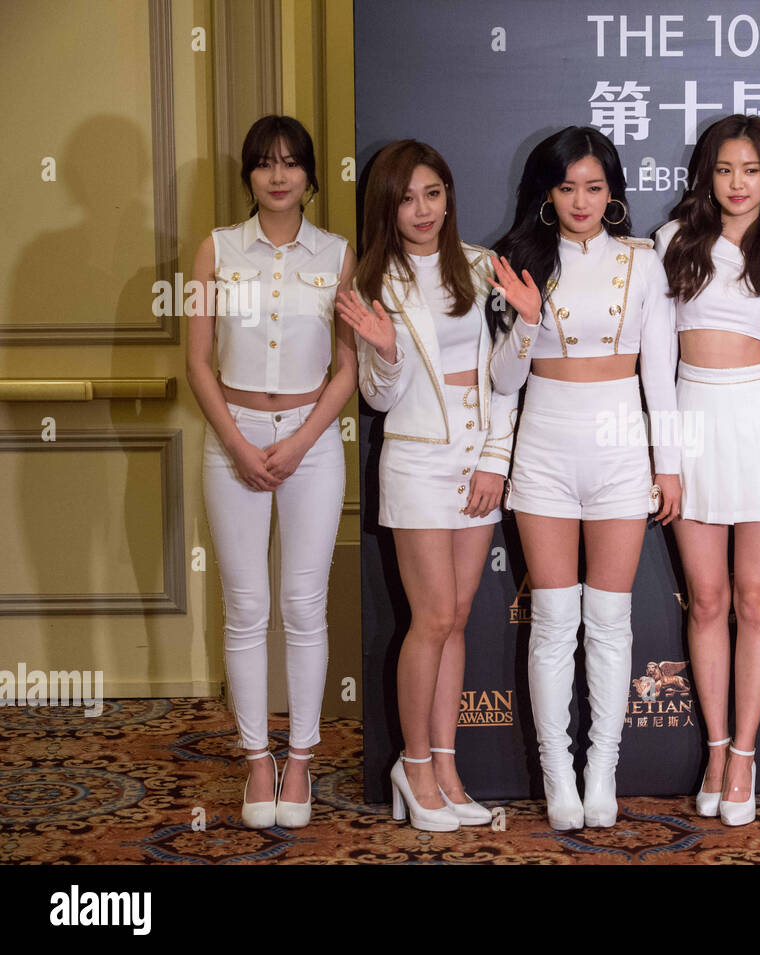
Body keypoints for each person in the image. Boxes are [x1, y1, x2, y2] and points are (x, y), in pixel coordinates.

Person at [488, 126, 681, 830]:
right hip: (543, 441)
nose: (580, 200)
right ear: (547, 193)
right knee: (552, 622)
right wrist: (528, 322)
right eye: (566, 186)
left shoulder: (643, 260)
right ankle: (557, 776)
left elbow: (661, 371)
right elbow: (503, 381)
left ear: (614, 193)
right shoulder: (518, 261)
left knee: (609, 619)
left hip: (621, 442)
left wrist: (671, 463)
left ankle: (603, 770)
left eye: (594, 186)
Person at [337, 141, 517, 832]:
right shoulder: (371, 282)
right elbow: (381, 399)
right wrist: (382, 349)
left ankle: (446, 766)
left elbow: (506, 376)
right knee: (433, 617)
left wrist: (496, 459)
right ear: (387, 204)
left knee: (459, 617)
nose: (421, 210)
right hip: (415, 462)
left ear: (448, 195)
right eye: (406, 197)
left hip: (477, 460)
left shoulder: (480, 267)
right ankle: (412, 768)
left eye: (432, 193)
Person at [654, 114, 760, 826]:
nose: (738, 183)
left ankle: (746, 753)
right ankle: (716, 747)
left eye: (751, 170)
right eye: (725, 169)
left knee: (756, 598)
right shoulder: (671, 242)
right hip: (692, 416)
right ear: (707, 175)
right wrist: (665, 458)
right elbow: (657, 364)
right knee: (709, 598)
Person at [187, 115, 352, 828]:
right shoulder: (216, 250)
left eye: (290, 163)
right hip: (235, 436)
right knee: (247, 605)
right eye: (263, 163)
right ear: (249, 175)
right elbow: (197, 361)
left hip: (313, 438)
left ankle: (303, 759)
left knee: (303, 604)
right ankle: (258, 759)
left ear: (311, 176)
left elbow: (347, 366)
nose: (277, 175)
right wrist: (239, 443)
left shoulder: (339, 254)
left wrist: (302, 439)